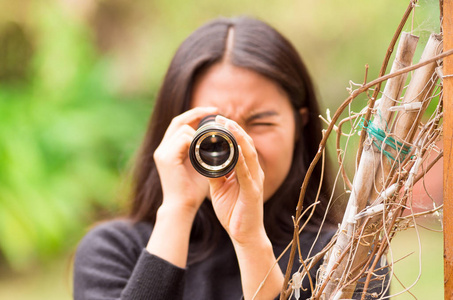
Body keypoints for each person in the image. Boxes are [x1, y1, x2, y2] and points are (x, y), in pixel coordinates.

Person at [73, 17, 384, 300]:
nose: (240, 144)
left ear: (299, 127)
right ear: (174, 131)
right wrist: (178, 211)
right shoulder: (112, 253)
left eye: (261, 123)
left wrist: (250, 240)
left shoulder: (349, 256)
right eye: (212, 129)